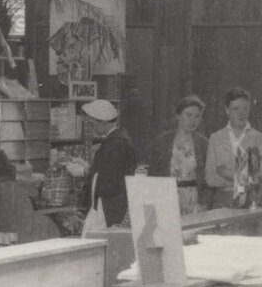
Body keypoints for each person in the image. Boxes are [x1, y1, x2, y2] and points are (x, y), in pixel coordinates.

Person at [204, 87, 262, 209]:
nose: (241, 113)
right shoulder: (216, 138)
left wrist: (225, 173)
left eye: (245, 108)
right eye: (236, 108)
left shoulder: (258, 138)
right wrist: (243, 180)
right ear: (227, 110)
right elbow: (210, 178)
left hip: (250, 203)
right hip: (221, 203)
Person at [81, 98, 139, 228]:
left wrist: (85, 172)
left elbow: (108, 182)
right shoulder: (119, 140)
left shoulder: (115, 144)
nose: (91, 128)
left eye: (92, 124)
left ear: (103, 122)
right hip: (117, 203)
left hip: (111, 207)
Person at [150, 95, 209, 216]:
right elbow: (152, 176)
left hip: (194, 202)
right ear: (178, 115)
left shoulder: (204, 143)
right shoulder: (161, 141)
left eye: (197, 116)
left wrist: (204, 203)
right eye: (189, 115)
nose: (193, 120)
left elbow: (209, 179)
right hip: (166, 200)